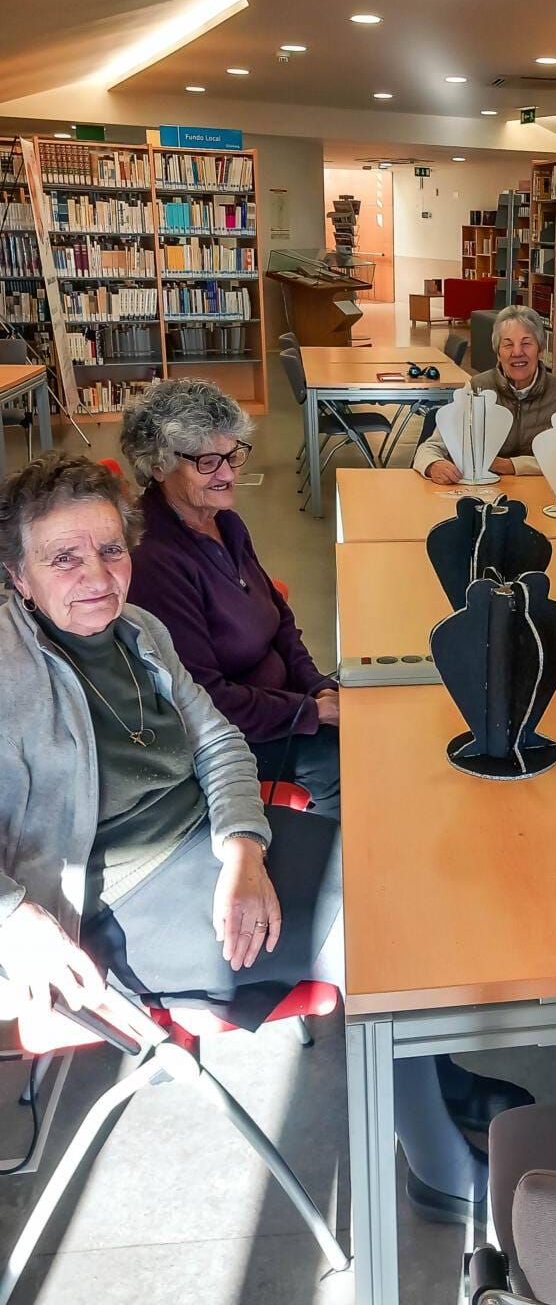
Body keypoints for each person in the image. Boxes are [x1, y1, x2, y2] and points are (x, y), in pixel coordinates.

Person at [0, 453, 529, 1224]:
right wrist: (15, 918)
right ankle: (440, 1170)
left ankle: (434, 1076)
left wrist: (242, 849)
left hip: (208, 846)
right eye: (63, 558)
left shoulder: (138, 629)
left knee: (405, 878)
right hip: (114, 902)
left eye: (112, 549)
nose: (98, 575)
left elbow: (217, 743)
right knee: (380, 940)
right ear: (19, 577)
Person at [120, 379, 340, 820]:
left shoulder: (227, 523)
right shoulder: (155, 561)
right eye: (207, 461)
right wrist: (311, 712)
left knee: (382, 704)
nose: (228, 473)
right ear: (159, 466)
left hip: (283, 700)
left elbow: (280, 619)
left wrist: (318, 686)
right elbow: (205, 698)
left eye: (232, 454)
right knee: (351, 765)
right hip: (234, 734)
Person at [413, 304, 556, 484]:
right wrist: (433, 465)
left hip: (541, 496)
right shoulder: (476, 387)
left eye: (526, 343)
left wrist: (512, 466)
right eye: (508, 344)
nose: (517, 352)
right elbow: (430, 447)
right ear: (498, 353)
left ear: (541, 350)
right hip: (482, 495)